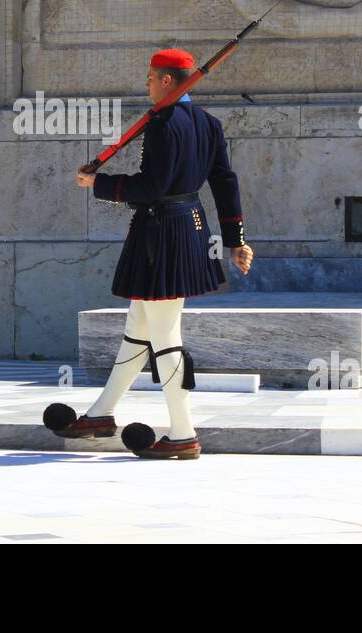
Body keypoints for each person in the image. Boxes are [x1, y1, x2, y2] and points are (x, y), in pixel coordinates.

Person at [45, 48, 253, 459]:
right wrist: (235, 238)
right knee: (139, 326)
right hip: (189, 224)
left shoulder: (164, 125)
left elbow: (150, 188)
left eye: (150, 77)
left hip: (163, 231)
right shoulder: (207, 124)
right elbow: (225, 183)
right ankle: (102, 413)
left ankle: (182, 434)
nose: (146, 84)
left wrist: (99, 185)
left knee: (165, 336)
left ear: (168, 81)